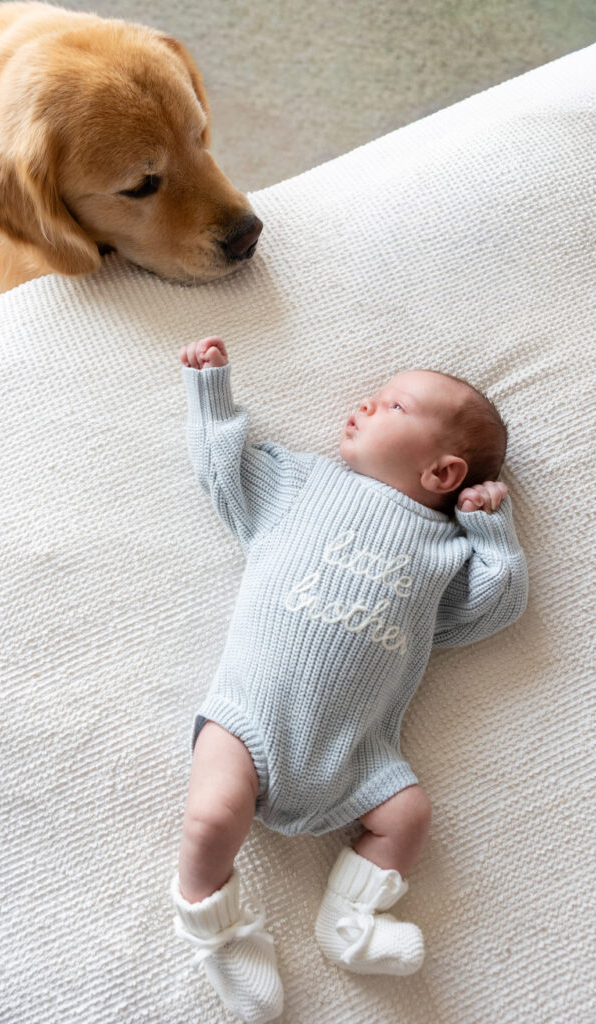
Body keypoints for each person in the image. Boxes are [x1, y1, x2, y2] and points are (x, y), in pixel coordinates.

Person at [170, 336, 528, 1024]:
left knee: (406, 816)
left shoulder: (443, 550)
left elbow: (492, 609)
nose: (364, 403)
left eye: (392, 403)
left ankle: (350, 918)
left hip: (360, 750)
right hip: (251, 717)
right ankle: (217, 931)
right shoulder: (302, 483)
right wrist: (210, 393)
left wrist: (491, 535)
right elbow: (225, 474)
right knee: (212, 816)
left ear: (442, 471)